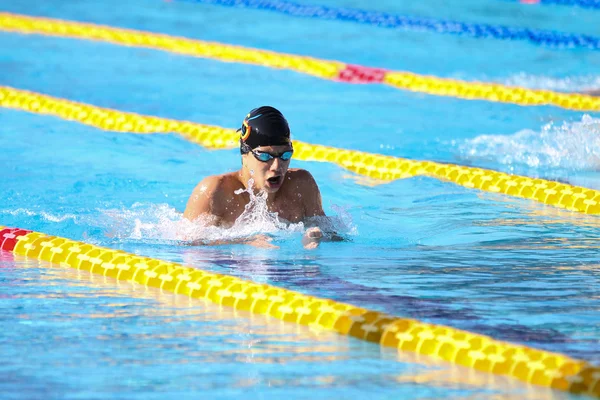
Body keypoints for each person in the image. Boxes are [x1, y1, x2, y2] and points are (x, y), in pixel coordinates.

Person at [183, 106, 326, 249]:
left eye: (285, 155)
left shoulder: (301, 185)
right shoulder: (214, 191)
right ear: (245, 154)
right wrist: (244, 242)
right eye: (265, 156)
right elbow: (186, 244)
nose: (277, 166)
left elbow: (334, 233)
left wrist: (318, 236)